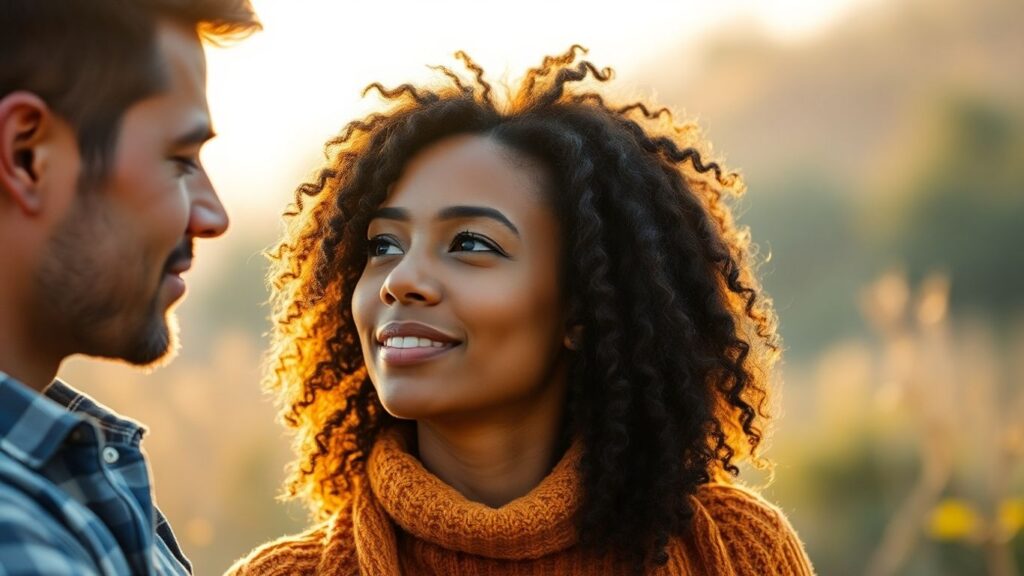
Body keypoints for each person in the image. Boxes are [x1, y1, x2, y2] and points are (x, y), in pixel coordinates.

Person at [231, 46, 814, 575]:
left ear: (580, 308)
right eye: (384, 245)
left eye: (469, 243)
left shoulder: (734, 551)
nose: (400, 280)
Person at [0, 2, 260, 574]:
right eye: (179, 160)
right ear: (27, 155)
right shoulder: (15, 535)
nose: (213, 217)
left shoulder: (71, 471)